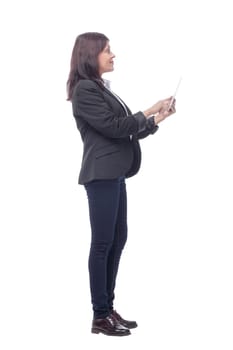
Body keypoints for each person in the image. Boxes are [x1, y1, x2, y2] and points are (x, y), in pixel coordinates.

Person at [66, 32, 176, 336]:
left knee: (117, 239)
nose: (113, 55)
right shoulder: (84, 90)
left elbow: (124, 131)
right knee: (102, 243)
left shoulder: (101, 88)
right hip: (100, 175)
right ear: (91, 55)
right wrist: (150, 109)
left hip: (115, 173)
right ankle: (99, 315)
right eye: (107, 51)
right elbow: (115, 128)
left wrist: (157, 120)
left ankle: (108, 309)